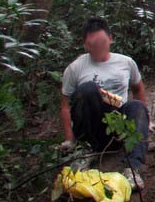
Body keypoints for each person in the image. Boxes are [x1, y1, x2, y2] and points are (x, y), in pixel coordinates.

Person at [60, 17, 148, 191]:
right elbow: (64, 104)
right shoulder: (75, 68)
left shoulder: (125, 62)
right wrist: (69, 139)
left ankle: (132, 168)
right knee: (88, 90)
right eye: (93, 45)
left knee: (136, 107)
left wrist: (144, 120)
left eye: (102, 43)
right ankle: (85, 151)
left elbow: (138, 88)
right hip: (92, 125)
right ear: (85, 45)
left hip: (118, 122)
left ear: (111, 39)